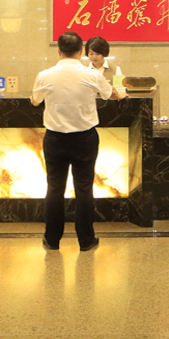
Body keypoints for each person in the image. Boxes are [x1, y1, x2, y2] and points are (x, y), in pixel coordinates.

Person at [31, 31, 124, 251]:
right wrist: (120, 95)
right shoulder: (91, 75)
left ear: (59, 51)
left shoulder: (44, 75)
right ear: (81, 51)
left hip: (55, 139)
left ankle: (52, 240)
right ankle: (86, 240)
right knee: (84, 189)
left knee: (54, 188)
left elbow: (35, 101)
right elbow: (110, 94)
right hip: (84, 139)